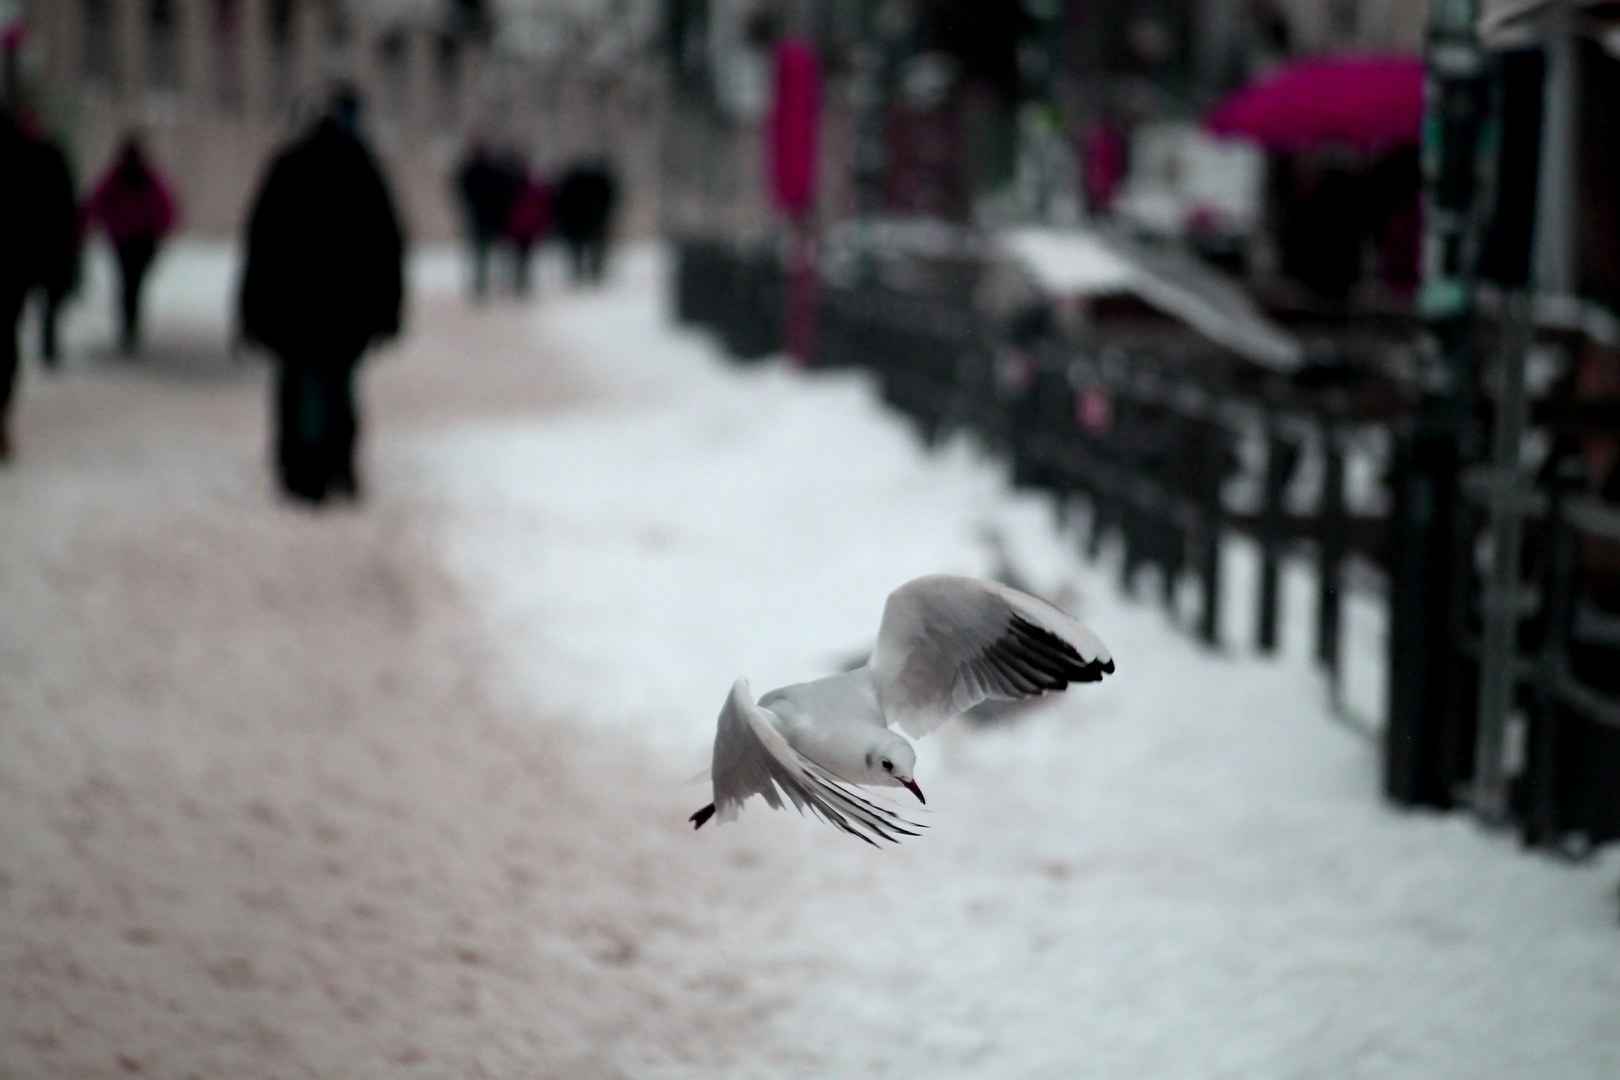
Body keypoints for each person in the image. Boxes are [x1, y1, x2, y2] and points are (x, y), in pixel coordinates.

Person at [239, 86, 404, 506]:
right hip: (348, 310)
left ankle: (307, 467)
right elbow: (387, 249)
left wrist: (250, 310)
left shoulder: (288, 169)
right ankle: (337, 463)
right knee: (337, 384)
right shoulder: (363, 171)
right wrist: (388, 309)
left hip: (296, 309)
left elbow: (261, 246)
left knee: (304, 385)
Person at [0, 106, 77, 461]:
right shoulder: (39, 157)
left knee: (7, 342)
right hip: (22, 265)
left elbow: (62, 213)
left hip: (22, 266)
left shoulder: (46, 157)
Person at [83, 133, 176, 354]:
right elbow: (98, 202)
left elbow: (164, 206)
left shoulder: (139, 178)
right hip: (130, 239)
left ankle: (129, 329)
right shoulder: (125, 178)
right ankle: (129, 329)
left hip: (136, 239)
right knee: (131, 285)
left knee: (130, 285)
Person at [453, 140, 519, 300]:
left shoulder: (476, 172)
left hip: (484, 218)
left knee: (482, 254)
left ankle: (484, 285)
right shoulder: (489, 172)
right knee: (488, 254)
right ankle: (489, 284)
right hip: (489, 218)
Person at [553, 158, 618, 284]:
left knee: (583, 247)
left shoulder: (576, 180)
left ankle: (585, 271)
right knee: (590, 247)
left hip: (582, 218)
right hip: (589, 218)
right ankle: (591, 271)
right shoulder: (598, 181)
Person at [503, 166, 552, 296]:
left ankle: (520, 280)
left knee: (519, 256)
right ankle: (522, 280)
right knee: (524, 257)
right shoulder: (531, 191)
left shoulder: (514, 191)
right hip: (526, 229)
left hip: (519, 229)